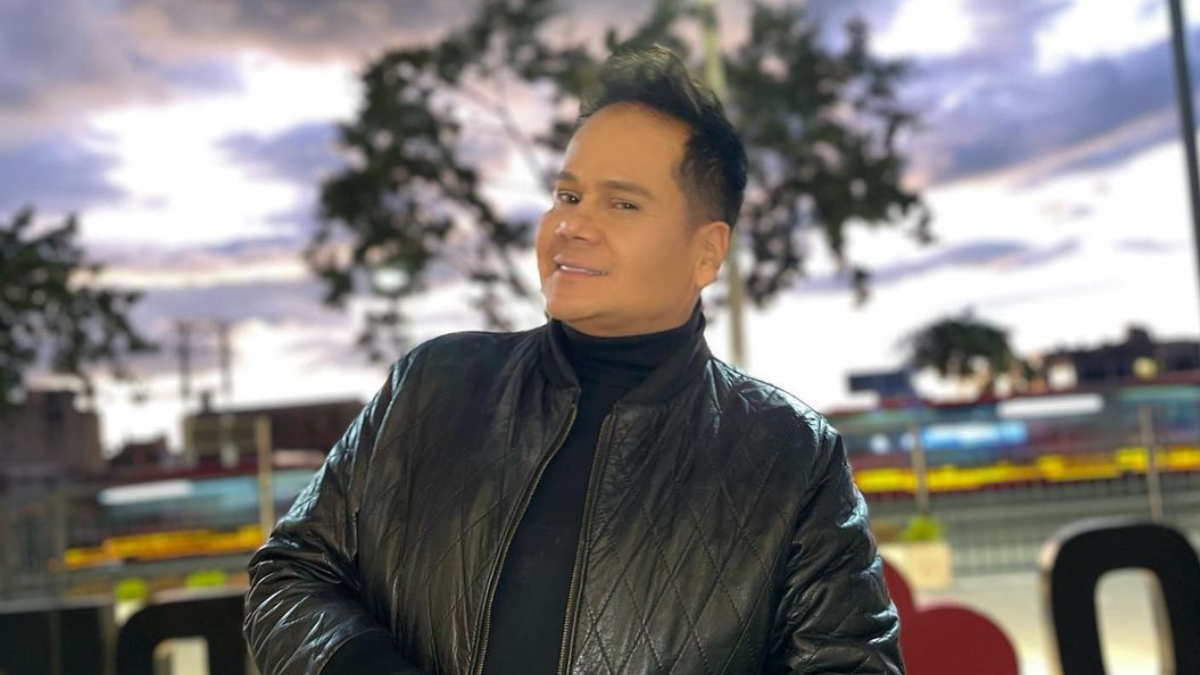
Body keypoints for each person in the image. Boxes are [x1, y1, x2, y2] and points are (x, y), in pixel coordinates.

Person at [244, 46, 903, 675]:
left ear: (707, 252)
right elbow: (292, 573)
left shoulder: (791, 456)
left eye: (622, 203)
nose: (573, 225)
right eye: (567, 196)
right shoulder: (433, 385)